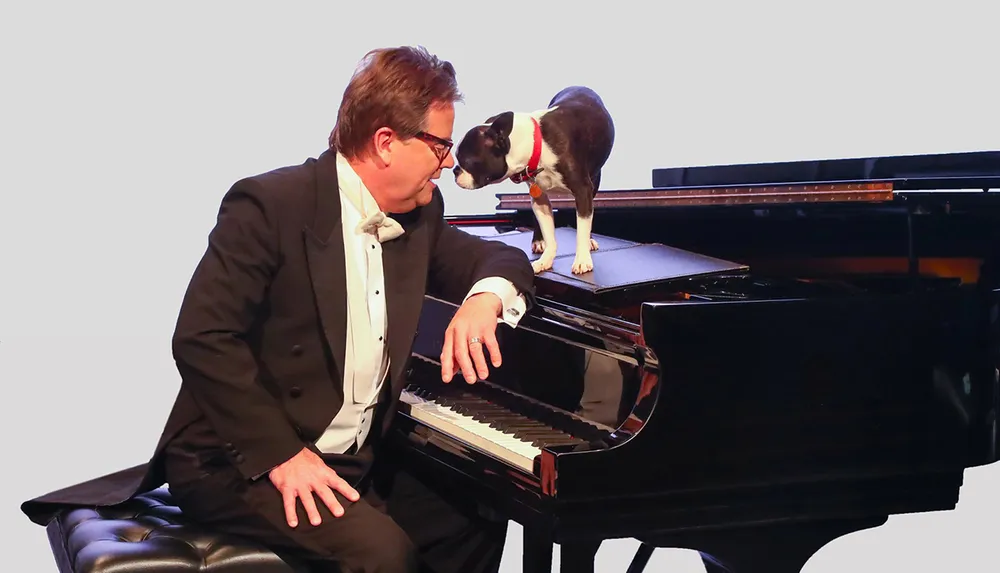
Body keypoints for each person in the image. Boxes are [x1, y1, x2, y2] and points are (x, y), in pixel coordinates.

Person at [21, 45, 536, 573]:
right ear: (385, 143)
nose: (448, 161)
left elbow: (499, 256)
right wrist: (282, 457)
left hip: (352, 458)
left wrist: (485, 296)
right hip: (240, 460)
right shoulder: (270, 206)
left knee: (475, 516)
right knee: (382, 554)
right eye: (438, 145)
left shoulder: (420, 216)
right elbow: (202, 338)